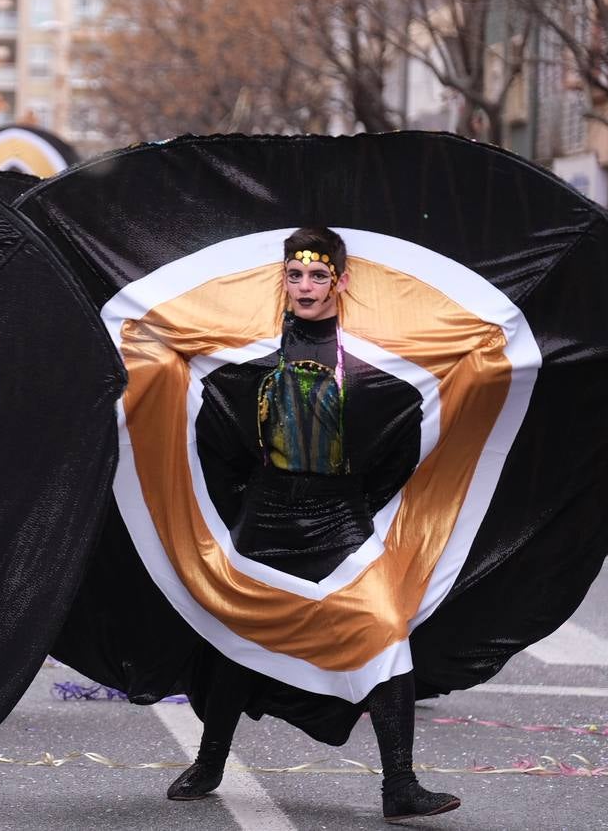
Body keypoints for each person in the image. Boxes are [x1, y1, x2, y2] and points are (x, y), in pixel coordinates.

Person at [166, 227, 461, 823]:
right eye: (295, 275)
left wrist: (363, 492)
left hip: (338, 515)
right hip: (267, 512)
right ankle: (211, 759)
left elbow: (412, 420)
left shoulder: (373, 353)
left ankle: (399, 784)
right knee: (236, 639)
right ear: (282, 279)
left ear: (341, 281)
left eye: (318, 275)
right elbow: (203, 396)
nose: (305, 286)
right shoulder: (253, 345)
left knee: (383, 628)